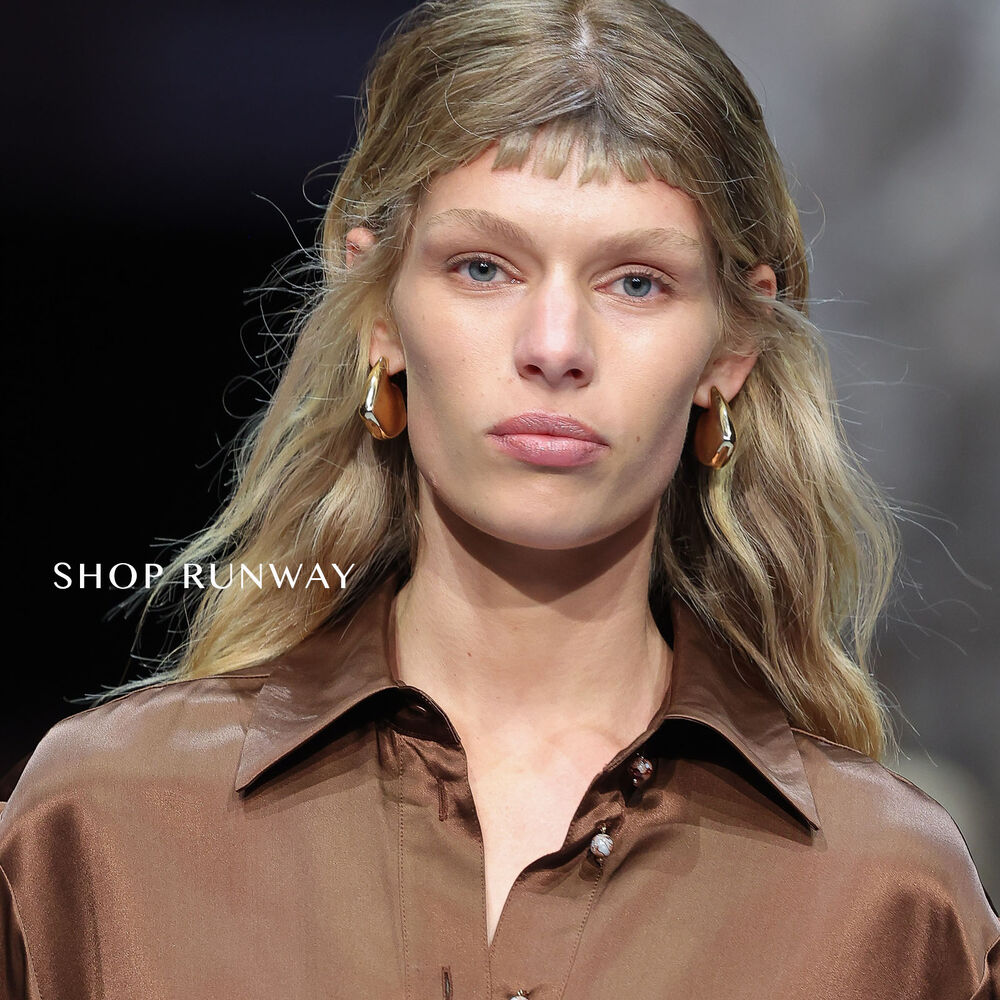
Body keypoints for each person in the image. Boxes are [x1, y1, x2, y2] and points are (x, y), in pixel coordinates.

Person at [2, 0, 997, 996]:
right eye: (483, 268)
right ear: (378, 307)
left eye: (637, 282)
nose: (555, 347)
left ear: (731, 349)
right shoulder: (105, 827)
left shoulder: (885, 898)